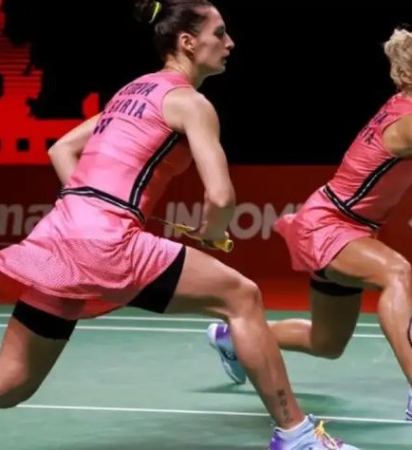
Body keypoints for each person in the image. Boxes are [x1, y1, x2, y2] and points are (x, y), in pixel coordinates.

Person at [0, 1, 360, 449]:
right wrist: (213, 231)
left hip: (59, 235)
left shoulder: (131, 91)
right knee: (242, 297)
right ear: (188, 42)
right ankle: (297, 435)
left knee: (13, 381)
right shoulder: (191, 103)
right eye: (219, 33)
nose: (230, 43)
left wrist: (88, 206)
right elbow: (221, 197)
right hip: (109, 243)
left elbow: (61, 149)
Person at [206, 27, 412, 427]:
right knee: (396, 271)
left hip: (344, 226)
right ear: (405, 75)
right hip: (329, 225)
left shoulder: (411, 119)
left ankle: (233, 339)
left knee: (326, 342)